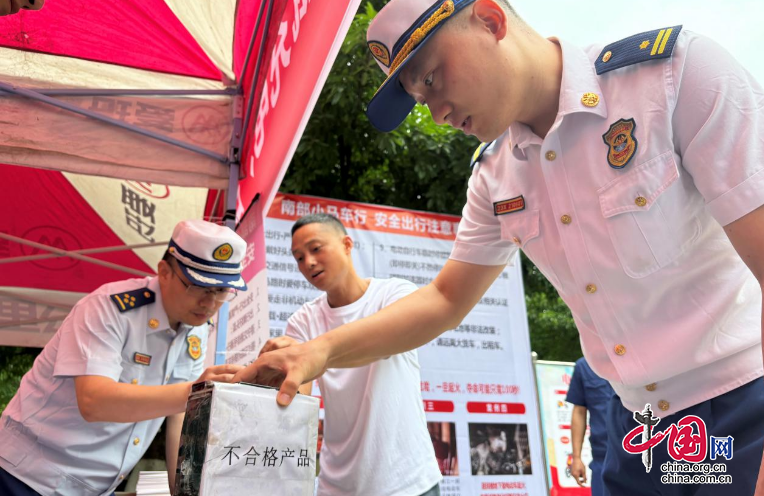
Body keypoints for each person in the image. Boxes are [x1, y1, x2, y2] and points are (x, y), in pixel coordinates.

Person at [234, 0, 764, 494]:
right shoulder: (495, 176)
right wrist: (318, 352)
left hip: (745, 404)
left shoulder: (673, 76)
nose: (435, 112)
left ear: (488, 18)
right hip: (635, 429)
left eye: (432, 79)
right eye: (419, 99)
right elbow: (445, 300)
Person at [0, 219, 246, 496]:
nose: (209, 303)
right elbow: (94, 401)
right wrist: (194, 392)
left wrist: (184, 491)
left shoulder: (196, 330)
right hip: (26, 476)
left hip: (94, 488)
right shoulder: (108, 308)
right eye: (198, 287)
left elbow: (179, 415)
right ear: (164, 272)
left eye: (221, 291)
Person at [259, 213, 442, 496]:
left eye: (316, 248)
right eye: (298, 257)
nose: (307, 262)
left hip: (407, 481)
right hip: (338, 485)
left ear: (346, 244)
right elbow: (298, 396)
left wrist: (317, 353)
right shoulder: (303, 321)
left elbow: (383, 344)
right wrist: (276, 375)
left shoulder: (395, 295)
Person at [565, 357, 615, 496]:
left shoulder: (636, 358)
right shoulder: (584, 366)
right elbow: (579, 412)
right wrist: (576, 458)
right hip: (602, 458)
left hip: (638, 456)